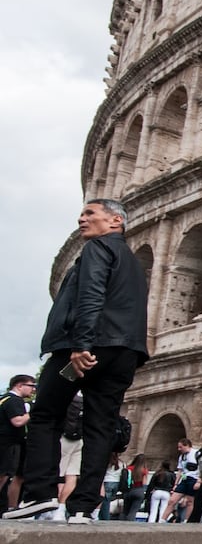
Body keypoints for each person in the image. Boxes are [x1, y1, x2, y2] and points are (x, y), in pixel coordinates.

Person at [5, 200, 148, 524]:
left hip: (86, 352)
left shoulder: (99, 248)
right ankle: (83, 506)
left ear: (115, 221)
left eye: (89, 214)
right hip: (123, 355)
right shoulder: (132, 262)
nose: (81, 219)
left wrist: (80, 344)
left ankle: (40, 493)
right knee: (100, 425)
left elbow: (91, 293)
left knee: (45, 413)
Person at [1, 375, 35, 512]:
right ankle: (11, 507)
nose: (33, 390)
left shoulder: (3, 398)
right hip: (8, 443)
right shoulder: (15, 401)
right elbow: (18, 421)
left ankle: (9, 506)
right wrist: (33, 409)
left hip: (5, 442)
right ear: (19, 386)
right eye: (31, 386)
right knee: (3, 475)